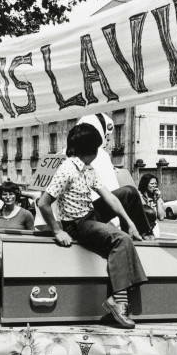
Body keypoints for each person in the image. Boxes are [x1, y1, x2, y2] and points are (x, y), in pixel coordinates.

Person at [38, 123, 147, 329]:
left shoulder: (88, 168)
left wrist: (131, 223)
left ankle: (145, 234)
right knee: (120, 240)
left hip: (89, 214)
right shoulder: (67, 170)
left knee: (128, 193)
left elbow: (109, 198)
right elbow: (43, 203)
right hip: (76, 224)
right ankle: (118, 301)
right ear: (92, 149)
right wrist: (57, 230)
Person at [36, 113, 154, 239]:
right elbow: (111, 190)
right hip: (79, 223)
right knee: (129, 196)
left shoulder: (57, 157)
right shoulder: (95, 157)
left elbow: (41, 197)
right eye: (107, 137)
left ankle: (135, 232)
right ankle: (144, 234)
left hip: (63, 219)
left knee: (128, 192)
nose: (107, 142)